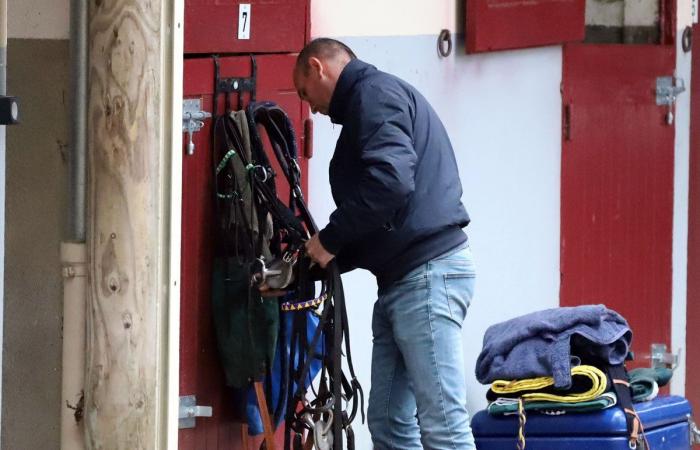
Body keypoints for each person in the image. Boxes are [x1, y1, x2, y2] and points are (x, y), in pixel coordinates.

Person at [293, 38, 476, 450]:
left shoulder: (374, 96)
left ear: (317, 68)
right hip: (405, 280)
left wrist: (331, 239)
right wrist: (315, 262)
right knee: (390, 425)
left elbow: (390, 183)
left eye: (305, 93)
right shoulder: (371, 102)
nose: (312, 109)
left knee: (444, 427)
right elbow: (385, 213)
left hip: (426, 276)